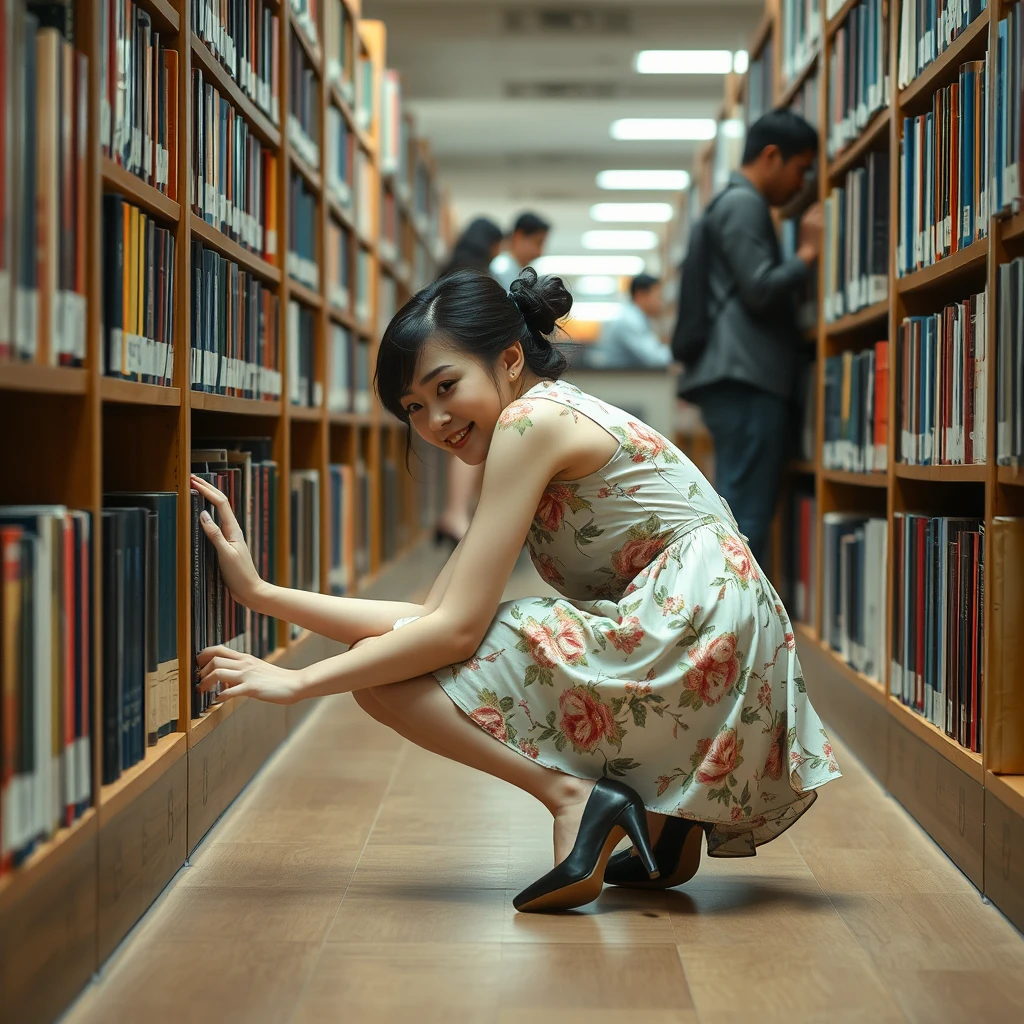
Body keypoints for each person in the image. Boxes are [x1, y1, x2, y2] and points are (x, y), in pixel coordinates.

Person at [190, 267, 841, 914]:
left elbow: (454, 632)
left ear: (507, 361)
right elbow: (429, 616)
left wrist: (299, 685)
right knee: (391, 653)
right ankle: (666, 831)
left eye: (446, 387)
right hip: (722, 626)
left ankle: (573, 800)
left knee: (380, 677)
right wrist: (261, 594)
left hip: (696, 625)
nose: (435, 421)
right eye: (413, 408)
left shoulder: (530, 423)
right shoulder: (537, 420)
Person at [677, 108, 822, 569]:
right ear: (771, 155)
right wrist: (806, 256)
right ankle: (729, 632)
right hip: (746, 376)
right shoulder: (743, 204)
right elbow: (759, 289)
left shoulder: (730, 203)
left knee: (737, 508)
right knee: (746, 516)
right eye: (801, 169)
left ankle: (723, 627)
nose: (802, 185)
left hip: (734, 373)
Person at [435, 217, 506, 545]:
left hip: (442, 369)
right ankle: (457, 514)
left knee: (464, 437)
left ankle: (459, 513)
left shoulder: (449, 268)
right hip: (467, 366)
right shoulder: (476, 274)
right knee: (472, 435)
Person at [584, 274, 672, 370]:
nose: (661, 303)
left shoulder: (638, 318)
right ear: (641, 295)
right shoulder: (630, 321)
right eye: (658, 297)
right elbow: (656, 359)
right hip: (614, 380)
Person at [490, 211, 551, 292]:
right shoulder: (502, 270)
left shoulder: (518, 270)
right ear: (519, 236)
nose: (539, 252)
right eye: (538, 243)